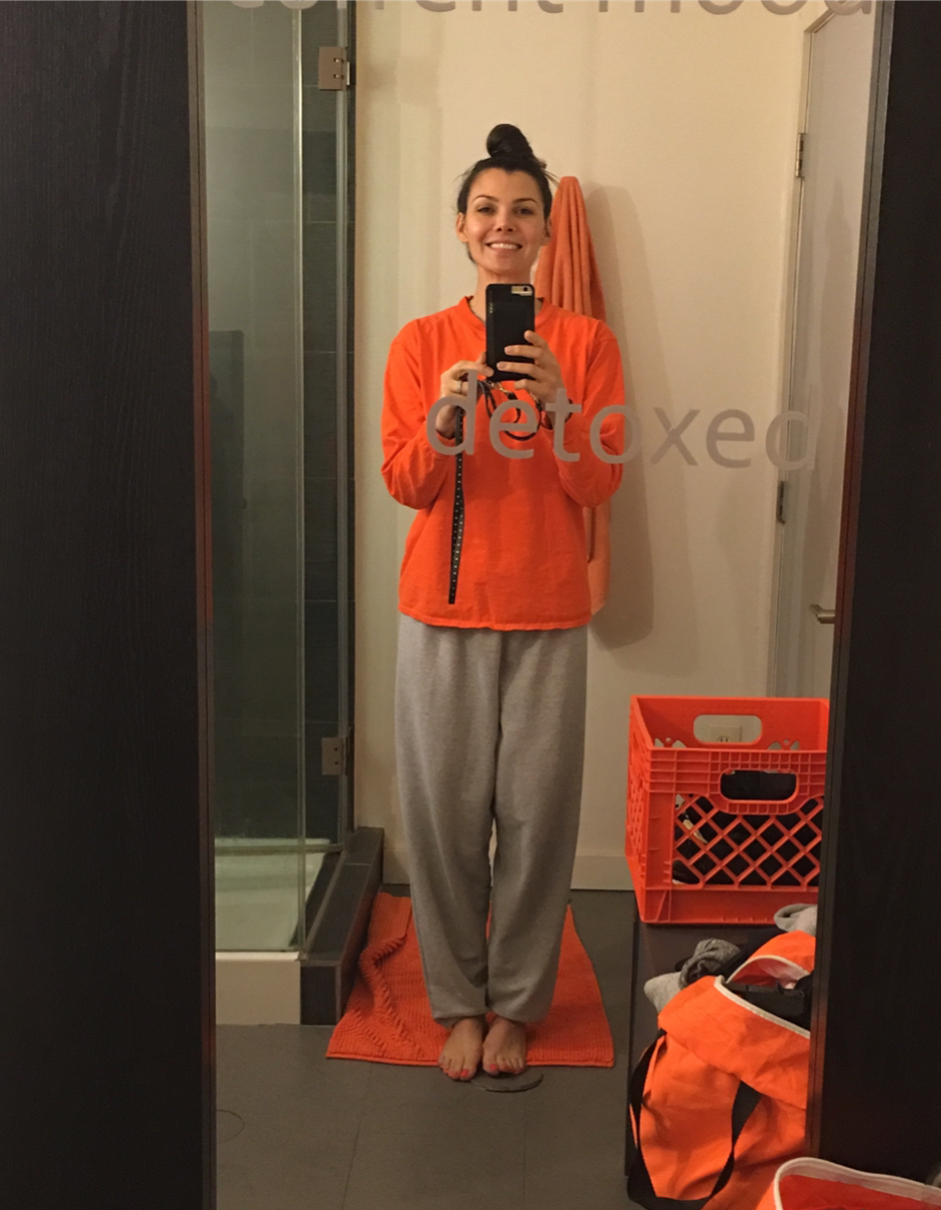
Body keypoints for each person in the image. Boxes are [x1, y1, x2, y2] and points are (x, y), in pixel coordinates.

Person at [381, 124, 625, 1081]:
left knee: (536, 822)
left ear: (546, 234)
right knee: (442, 823)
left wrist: (561, 405)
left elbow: (599, 484)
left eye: (523, 210)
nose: (503, 224)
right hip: (440, 613)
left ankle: (517, 1006)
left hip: (548, 612)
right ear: (460, 226)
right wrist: (446, 414)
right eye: (486, 208)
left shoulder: (587, 343)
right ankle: (457, 1002)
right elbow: (406, 484)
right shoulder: (419, 343)